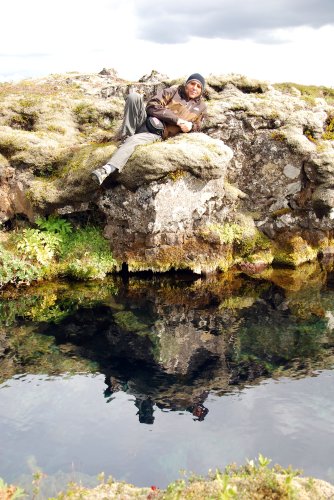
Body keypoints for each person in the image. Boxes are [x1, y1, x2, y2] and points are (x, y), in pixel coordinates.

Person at [91, 73, 207, 185]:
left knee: (134, 141)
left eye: (198, 86)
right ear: (187, 84)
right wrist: (176, 120)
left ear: (201, 90)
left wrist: (191, 126)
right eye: (192, 84)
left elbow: (199, 126)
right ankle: (126, 135)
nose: (194, 88)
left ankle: (107, 169)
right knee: (133, 97)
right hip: (145, 119)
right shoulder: (173, 91)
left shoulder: (201, 107)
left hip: (157, 133)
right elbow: (152, 106)